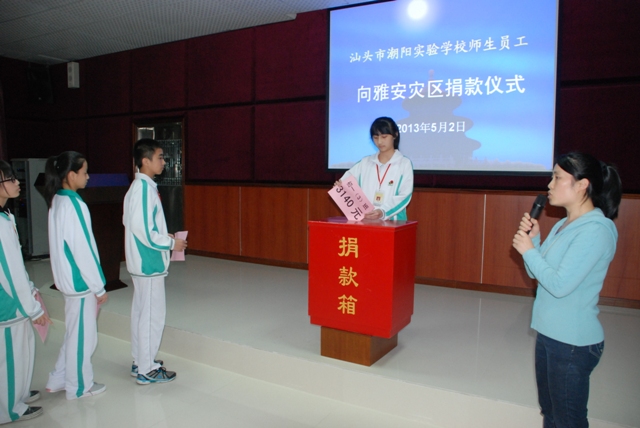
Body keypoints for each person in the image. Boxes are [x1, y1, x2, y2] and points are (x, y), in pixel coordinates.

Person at [512, 152, 622, 428]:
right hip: (549, 334)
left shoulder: (597, 230)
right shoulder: (563, 224)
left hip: (572, 342)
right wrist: (535, 242)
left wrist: (529, 251)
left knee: (568, 421)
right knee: (550, 412)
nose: (549, 185)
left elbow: (560, 286)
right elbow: (538, 275)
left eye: (557, 178)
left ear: (582, 185)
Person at [43, 151, 108, 400]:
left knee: (74, 332)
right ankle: (79, 387)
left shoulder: (57, 200)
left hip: (67, 280)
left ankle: (59, 377)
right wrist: (98, 286)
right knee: (84, 338)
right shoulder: (74, 204)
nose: (88, 177)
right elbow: (83, 250)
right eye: (84, 172)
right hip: (80, 283)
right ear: (71, 175)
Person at [124, 139, 187, 385]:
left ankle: (141, 360)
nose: (163, 161)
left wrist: (164, 235)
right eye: (160, 157)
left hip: (143, 262)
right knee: (151, 316)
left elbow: (137, 225)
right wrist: (171, 243)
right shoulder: (142, 190)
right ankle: (147, 369)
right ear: (145, 161)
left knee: (141, 313)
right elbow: (144, 232)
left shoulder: (141, 187)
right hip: (148, 263)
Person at [0, 160, 51, 423]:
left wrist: (30, 289)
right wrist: (33, 309)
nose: (17, 181)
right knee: (10, 357)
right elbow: (10, 273)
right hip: (9, 306)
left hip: (14, 301)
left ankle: (17, 393)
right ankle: (8, 409)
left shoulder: (5, 216)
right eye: (9, 179)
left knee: (20, 353)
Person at [334, 117, 414, 220]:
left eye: (384, 137)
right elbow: (344, 183)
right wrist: (341, 186)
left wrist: (382, 211)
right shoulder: (365, 163)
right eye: (375, 137)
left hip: (394, 222)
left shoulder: (404, 163)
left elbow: (405, 195)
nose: (379, 141)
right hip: (366, 222)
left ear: (395, 135)